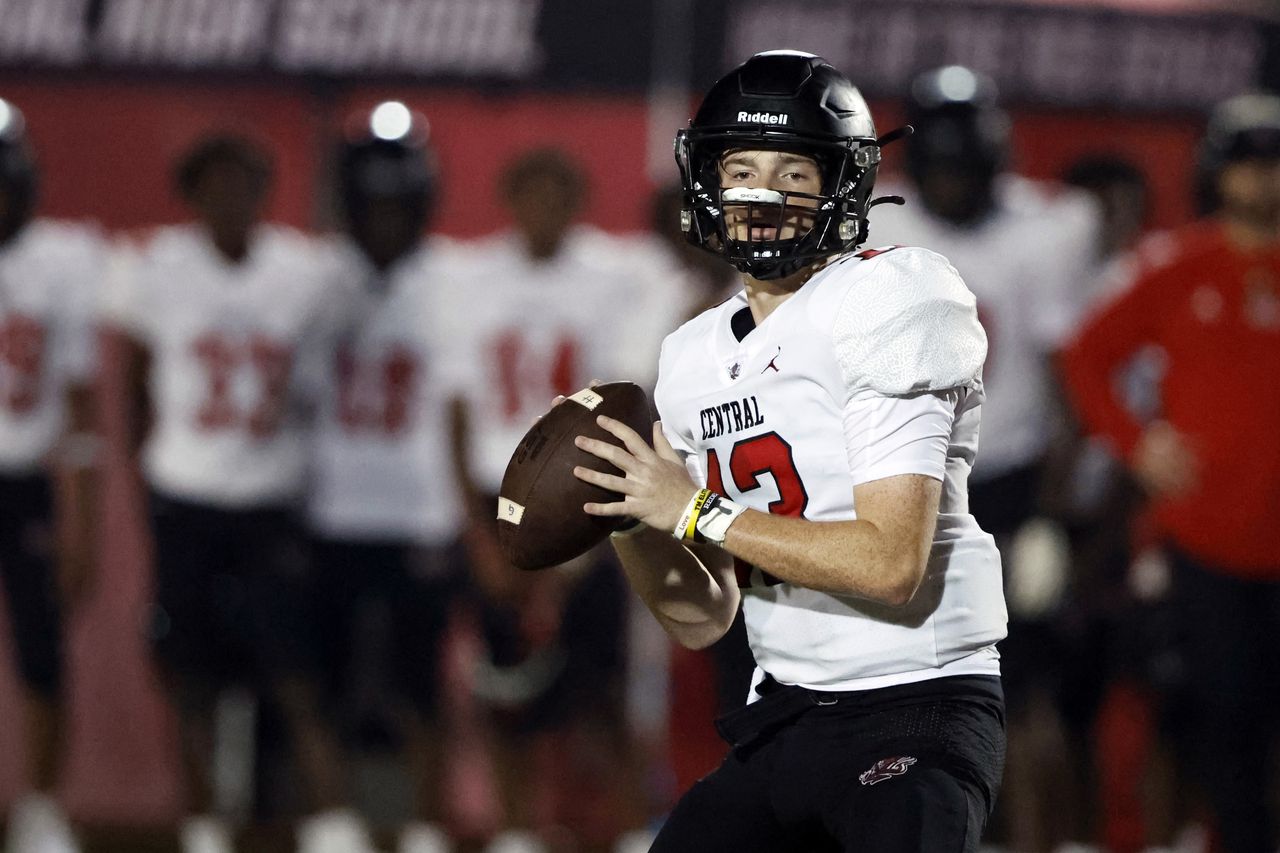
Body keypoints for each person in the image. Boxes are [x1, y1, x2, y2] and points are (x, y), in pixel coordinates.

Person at [570, 50, 1007, 852]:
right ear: (706, 182)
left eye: (793, 172)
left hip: (916, 701)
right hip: (788, 712)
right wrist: (634, 514)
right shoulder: (690, 355)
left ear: (843, 184)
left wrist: (696, 508)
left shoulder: (892, 294)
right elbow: (704, 617)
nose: (763, 193)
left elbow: (889, 564)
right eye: (741, 167)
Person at [102, 134, 368, 853]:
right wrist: (146, 469)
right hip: (185, 493)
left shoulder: (304, 270)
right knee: (191, 675)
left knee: (296, 670)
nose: (232, 198)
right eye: (216, 185)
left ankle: (333, 821)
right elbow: (133, 383)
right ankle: (203, 822)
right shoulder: (156, 267)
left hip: (270, 498)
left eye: (246, 183)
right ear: (191, 196)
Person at [867, 66, 1102, 852]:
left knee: (1022, 697)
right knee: (892, 703)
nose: (954, 183)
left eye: (967, 168)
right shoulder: (872, 223)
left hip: (1009, 484)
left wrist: (1055, 514)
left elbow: (1072, 385)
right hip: (900, 489)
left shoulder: (1049, 227)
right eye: (941, 168)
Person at [1060, 92, 1280, 853]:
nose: (1263, 181)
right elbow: (1085, 355)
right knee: (1224, 720)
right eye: (1251, 164)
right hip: (1207, 542)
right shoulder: (1178, 265)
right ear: (1220, 173)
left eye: (1274, 164)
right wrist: (1138, 441)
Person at [447, 148, 644, 852]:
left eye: (559, 193)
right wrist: (479, 533)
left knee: (601, 696)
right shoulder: (470, 279)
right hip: (502, 506)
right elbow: (458, 412)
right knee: (506, 695)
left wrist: (594, 528)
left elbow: (624, 406)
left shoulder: (614, 277)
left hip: (588, 508)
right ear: (510, 198)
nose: (544, 208)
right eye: (531, 192)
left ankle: (619, 833)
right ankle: (512, 834)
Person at [306, 102, 467, 853]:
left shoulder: (454, 281)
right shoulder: (315, 281)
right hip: (330, 509)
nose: (385, 222)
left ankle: (426, 824)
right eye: (372, 206)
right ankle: (335, 818)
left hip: (419, 512)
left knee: (420, 685)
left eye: (398, 206)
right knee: (327, 677)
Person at [0, 97, 102, 853]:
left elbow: (81, 404)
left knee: (41, 645)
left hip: (23, 475)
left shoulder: (60, 260)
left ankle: (39, 804)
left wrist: (85, 520)